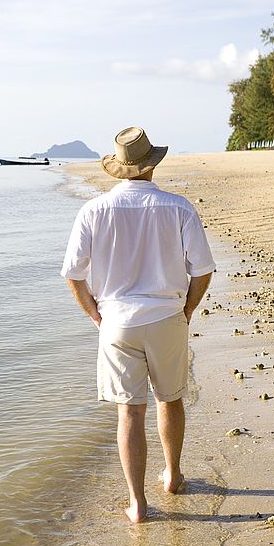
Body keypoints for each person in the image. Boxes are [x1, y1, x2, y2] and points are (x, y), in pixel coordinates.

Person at [61, 126, 215, 523]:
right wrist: (189, 309)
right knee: (171, 398)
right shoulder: (178, 207)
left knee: (129, 413)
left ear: (119, 169)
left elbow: (73, 274)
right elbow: (203, 270)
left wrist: (94, 314)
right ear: (151, 166)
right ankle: (174, 476)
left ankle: (138, 504)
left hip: (116, 323)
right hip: (166, 316)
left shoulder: (92, 210)